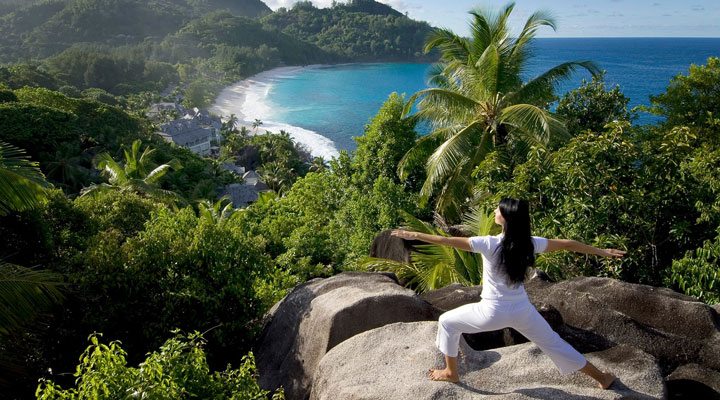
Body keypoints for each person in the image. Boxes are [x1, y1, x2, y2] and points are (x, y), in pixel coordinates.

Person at [390, 198, 624, 389]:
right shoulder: (530, 243)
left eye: (498, 210)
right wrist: (601, 251)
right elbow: (568, 243)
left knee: (447, 322)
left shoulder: (489, 243)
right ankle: (602, 378)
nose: (494, 211)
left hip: (491, 312)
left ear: (506, 218)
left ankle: (451, 372)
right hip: (523, 310)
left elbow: (446, 241)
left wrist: (416, 235)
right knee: (555, 344)